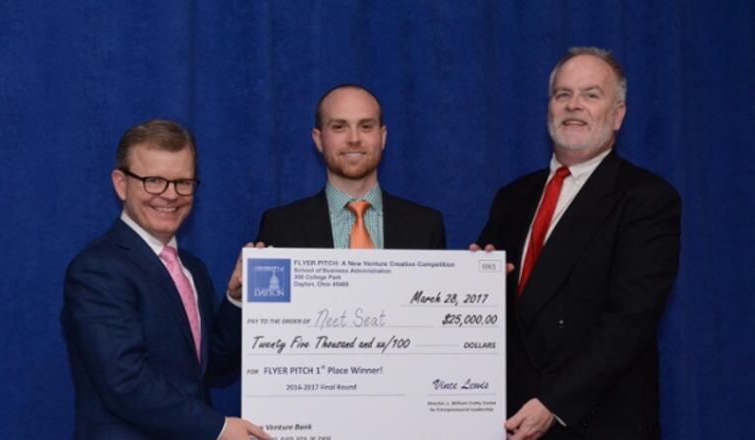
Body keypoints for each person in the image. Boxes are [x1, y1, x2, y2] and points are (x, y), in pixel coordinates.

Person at [475, 48, 681, 439]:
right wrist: (476, 281)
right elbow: (506, 311)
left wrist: (553, 403)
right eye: (562, 94)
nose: (574, 106)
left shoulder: (647, 198)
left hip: (593, 421)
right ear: (549, 108)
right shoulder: (512, 197)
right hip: (510, 419)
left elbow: (629, 322)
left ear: (618, 114)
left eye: (591, 95)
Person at [61, 120, 268, 440]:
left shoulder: (192, 269)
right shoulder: (97, 269)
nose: (170, 195)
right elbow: (124, 382)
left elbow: (209, 368)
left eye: (183, 182)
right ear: (120, 183)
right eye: (153, 180)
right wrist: (220, 429)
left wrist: (236, 300)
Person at [227, 84, 445, 298]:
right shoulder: (280, 226)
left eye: (366, 126)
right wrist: (240, 300)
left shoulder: (426, 226)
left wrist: (478, 274)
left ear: (383, 137)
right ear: (319, 140)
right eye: (339, 127)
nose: (354, 138)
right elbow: (264, 319)